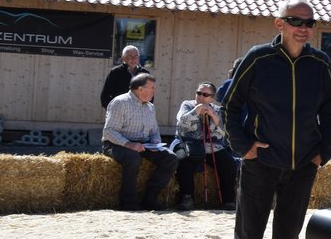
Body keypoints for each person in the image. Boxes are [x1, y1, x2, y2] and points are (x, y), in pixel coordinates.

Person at [221, 0, 331, 239]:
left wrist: (321, 153)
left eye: (309, 23)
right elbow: (230, 105)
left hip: (302, 166)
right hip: (260, 165)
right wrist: (244, 147)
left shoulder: (320, 63)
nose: (303, 29)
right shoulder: (258, 58)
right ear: (280, 24)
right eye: (296, 21)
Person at [101, 72, 179, 211]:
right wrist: (128, 144)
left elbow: (154, 131)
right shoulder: (120, 102)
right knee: (133, 158)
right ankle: (128, 203)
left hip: (143, 144)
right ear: (140, 89)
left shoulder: (150, 107)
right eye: (152, 87)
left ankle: (150, 199)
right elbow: (109, 131)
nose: (154, 90)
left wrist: (155, 144)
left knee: (171, 158)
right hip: (116, 144)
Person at [173, 81, 238, 211]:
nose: (201, 97)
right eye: (198, 93)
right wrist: (196, 110)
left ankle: (229, 200)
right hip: (187, 143)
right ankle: (186, 198)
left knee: (228, 162)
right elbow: (182, 122)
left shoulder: (217, 110)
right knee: (183, 160)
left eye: (205, 95)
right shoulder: (187, 104)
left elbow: (220, 134)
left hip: (210, 146)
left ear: (212, 98)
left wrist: (213, 116)